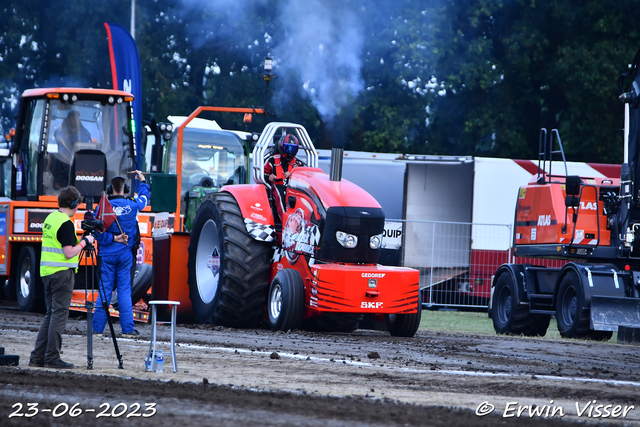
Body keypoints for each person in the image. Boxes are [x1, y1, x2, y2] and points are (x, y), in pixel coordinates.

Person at [29, 186, 95, 369]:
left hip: (48, 273)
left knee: (50, 314)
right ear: (74, 204)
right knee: (58, 315)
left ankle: (37, 357)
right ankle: (52, 357)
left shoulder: (51, 218)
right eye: (78, 205)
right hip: (61, 274)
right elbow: (68, 252)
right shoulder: (65, 223)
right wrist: (85, 242)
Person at [92, 171, 149, 337]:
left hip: (106, 255)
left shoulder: (102, 208)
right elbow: (145, 199)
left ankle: (96, 329)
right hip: (125, 256)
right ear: (126, 189)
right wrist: (143, 181)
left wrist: (112, 238)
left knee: (104, 291)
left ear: (110, 189)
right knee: (124, 291)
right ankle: (127, 329)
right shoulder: (133, 205)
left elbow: (96, 233)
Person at [264, 134, 303, 218]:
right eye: (288, 148)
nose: (290, 151)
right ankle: (286, 220)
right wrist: (269, 177)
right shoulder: (272, 160)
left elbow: (303, 178)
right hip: (277, 188)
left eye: (293, 149)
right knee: (280, 192)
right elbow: (262, 175)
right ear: (281, 147)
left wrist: (292, 175)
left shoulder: (298, 164)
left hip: (294, 190)